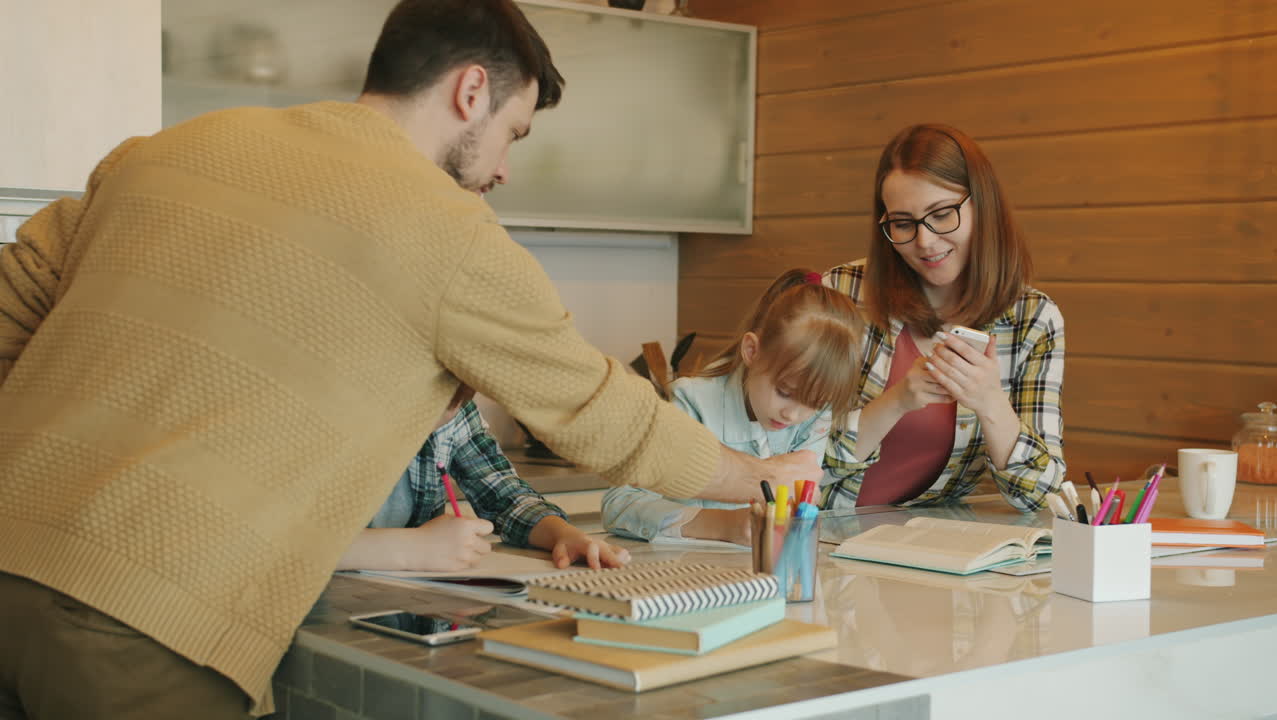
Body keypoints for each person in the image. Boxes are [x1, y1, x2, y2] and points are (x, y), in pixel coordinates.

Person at [0, 1, 819, 717]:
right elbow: (601, 413)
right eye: (512, 133)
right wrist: (761, 478)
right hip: (142, 618)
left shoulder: (167, 148)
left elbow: (15, 301)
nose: (501, 168)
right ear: (470, 91)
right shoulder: (448, 230)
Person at [821, 124, 1065, 512]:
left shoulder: (1032, 320)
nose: (925, 241)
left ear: (983, 205)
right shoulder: (842, 293)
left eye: (942, 214)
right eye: (903, 223)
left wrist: (990, 403)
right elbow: (791, 453)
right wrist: (896, 402)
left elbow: (1039, 496)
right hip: (813, 528)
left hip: (920, 548)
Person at [603, 269, 863, 545]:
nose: (794, 414)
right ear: (751, 351)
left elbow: (801, 502)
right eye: (784, 392)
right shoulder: (694, 403)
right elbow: (619, 504)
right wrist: (720, 525)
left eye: (814, 402)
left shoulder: (814, 418)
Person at [339, 385, 630, 571]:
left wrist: (564, 535)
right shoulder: (325, 407)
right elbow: (294, 544)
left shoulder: (454, 408)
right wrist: (411, 548)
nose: (449, 413)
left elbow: (505, 497)